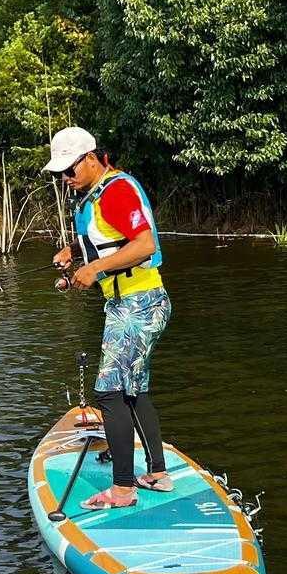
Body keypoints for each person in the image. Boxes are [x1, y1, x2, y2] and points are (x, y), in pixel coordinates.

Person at [43, 126, 172, 509]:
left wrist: (95, 269)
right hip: (128, 302)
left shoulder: (116, 189)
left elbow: (144, 244)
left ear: (92, 157)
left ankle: (123, 490)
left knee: (108, 392)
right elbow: (108, 238)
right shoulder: (92, 196)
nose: (65, 179)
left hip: (140, 302)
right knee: (132, 389)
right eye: (58, 174)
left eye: (69, 170)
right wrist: (73, 254)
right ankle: (158, 474)